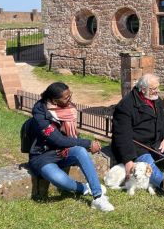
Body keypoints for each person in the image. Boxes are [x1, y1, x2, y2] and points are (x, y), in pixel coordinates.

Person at [27, 82, 114, 212]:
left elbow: (72, 136)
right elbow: (58, 140)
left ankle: (98, 196)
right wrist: (88, 143)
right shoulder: (40, 116)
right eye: (67, 98)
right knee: (59, 180)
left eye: (70, 95)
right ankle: (85, 189)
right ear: (54, 101)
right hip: (42, 156)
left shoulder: (68, 109)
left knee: (79, 150)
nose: (71, 99)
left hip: (63, 151)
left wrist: (87, 146)